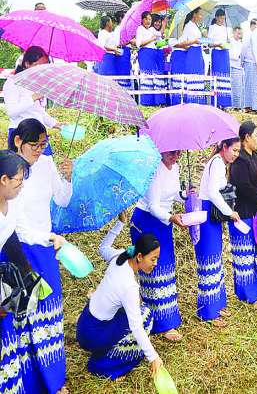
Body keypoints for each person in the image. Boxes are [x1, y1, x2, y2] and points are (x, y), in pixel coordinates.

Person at [11, 119, 72, 394]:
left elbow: (62, 200)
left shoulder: (46, 164)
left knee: (49, 310)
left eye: (43, 144)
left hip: (46, 247)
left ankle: (54, 379)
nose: (39, 150)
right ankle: (31, 380)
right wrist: (47, 237)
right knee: (27, 313)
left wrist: (68, 177)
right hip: (22, 250)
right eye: (34, 145)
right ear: (18, 141)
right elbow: (17, 224)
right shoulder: (11, 172)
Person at [76, 211, 163, 380]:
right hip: (93, 335)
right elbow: (136, 326)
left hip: (85, 324)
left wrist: (120, 223)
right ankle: (104, 365)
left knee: (136, 309)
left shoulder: (120, 256)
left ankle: (104, 351)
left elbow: (102, 248)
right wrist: (153, 357)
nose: (156, 263)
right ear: (139, 256)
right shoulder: (129, 286)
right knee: (145, 317)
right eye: (153, 259)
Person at [130, 149, 185, 341]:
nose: (175, 157)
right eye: (171, 153)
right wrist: (171, 217)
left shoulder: (175, 167)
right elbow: (153, 206)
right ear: (161, 150)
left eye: (178, 153)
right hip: (148, 220)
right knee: (154, 269)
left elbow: (174, 194)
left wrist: (186, 195)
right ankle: (158, 322)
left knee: (166, 267)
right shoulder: (154, 170)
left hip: (164, 221)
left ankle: (167, 317)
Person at [0, 150, 36, 394]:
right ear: (4, 179)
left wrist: (26, 269)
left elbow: (11, 235)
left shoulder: (10, 204)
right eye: (19, 182)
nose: (21, 187)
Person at [195, 138, 242, 326]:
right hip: (207, 213)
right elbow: (213, 193)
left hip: (212, 214)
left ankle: (217, 305)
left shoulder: (219, 162)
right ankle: (208, 312)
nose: (236, 154)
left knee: (215, 258)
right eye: (234, 150)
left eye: (238, 151)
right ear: (224, 147)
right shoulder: (217, 163)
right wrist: (229, 212)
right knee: (209, 259)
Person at [228, 121, 257, 308]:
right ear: (247, 137)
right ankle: (250, 296)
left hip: (256, 213)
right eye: (256, 135)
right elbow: (243, 187)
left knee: (256, 253)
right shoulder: (240, 160)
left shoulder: (256, 155)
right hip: (243, 213)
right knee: (245, 255)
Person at [3, 46, 60, 156]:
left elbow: (38, 112)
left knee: (46, 164)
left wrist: (55, 123)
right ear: (27, 64)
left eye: (45, 66)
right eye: (38, 65)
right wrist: (32, 98)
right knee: (23, 166)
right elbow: (12, 112)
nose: (41, 69)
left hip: (39, 134)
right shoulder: (13, 83)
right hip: (22, 134)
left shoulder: (37, 83)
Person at [174, 8, 205, 104]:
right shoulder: (188, 26)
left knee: (199, 75)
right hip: (192, 53)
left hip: (198, 52)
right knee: (193, 75)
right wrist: (194, 41)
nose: (201, 16)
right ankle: (192, 101)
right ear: (194, 14)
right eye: (200, 14)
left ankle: (198, 101)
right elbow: (182, 42)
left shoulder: (196, 26)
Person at [136, 11, 166, 106]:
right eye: (146, 19)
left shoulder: (150, 30)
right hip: (145, 54)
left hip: (153, 54)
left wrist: (164, 24)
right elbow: (139, 44)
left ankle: (157, 101)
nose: (148, 21)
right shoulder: (140, 29)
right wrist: (152, 39)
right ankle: (146, 102)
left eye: (150, 19)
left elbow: (159, 36)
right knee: (147, 76)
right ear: (142, 20)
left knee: (154, 77)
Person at [208, 9, 232, 108]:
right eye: (221, 18)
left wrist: (228, 42)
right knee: (217, 76)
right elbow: (209, 43)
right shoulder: (212, 28)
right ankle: (216, 102)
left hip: (225, 53)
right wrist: (218, 44)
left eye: (223, 18)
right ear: (216, 17)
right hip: (217, 53)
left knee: (225, 76)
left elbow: (227, 42)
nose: (222, 20)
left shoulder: (226, 29)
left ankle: (225, 102)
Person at [229, 26, 245, 110]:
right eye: (238, 33)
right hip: (232, 66)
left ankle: (239, 106)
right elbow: (231, 55)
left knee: (240, 88)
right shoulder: (230, 42)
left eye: (241, 33)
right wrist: (238, 56)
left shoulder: (241, 43)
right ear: (234, 33)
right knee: (233, 88)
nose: (239, 35)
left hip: (239, 68)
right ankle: (234, 106)